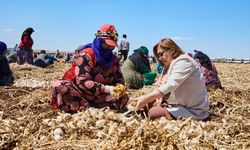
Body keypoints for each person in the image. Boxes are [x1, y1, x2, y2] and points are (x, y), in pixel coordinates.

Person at [50, 24, 128, 113]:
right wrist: (106, 88)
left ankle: (98, 108)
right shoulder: (86, 55)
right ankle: (87, 108)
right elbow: (82, 81)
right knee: (58, 85)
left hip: (99, 97)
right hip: (80, 93)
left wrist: (120, 86)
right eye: (106, 45)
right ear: (99, 41)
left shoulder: (113, 59)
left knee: (124, 97)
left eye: (112, 46)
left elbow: (119, 77)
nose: (109, 48)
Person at [135, 38, 209, 120]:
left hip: (192, 109)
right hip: (178, 103)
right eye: (158, 56)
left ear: (172, 49)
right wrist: (150, 98)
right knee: (148, 104)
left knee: (151, 113)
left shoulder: (184, 61)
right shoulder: (171, 64)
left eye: (161, 54)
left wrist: (146, 98)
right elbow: (162, 85)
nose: (160, 58)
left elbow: (171, 84)